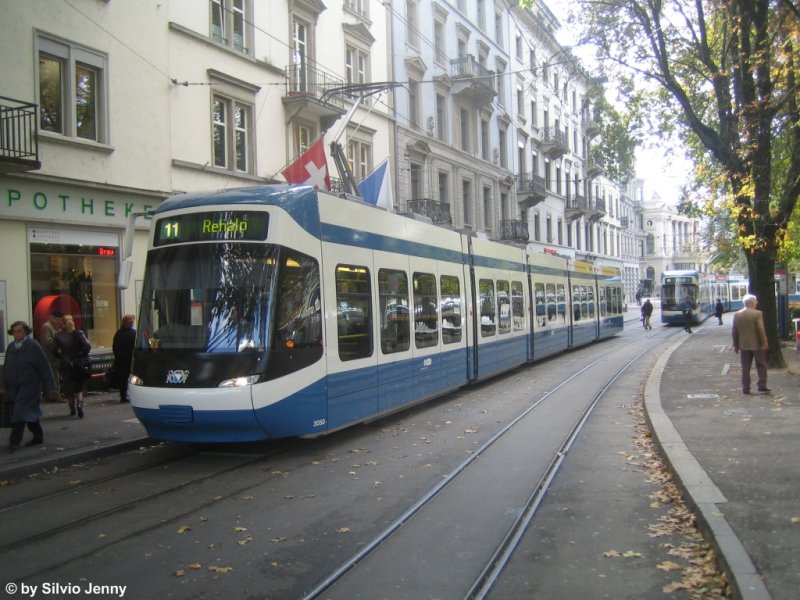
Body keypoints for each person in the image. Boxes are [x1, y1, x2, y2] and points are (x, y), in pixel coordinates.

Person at [1, 321, 58, 451]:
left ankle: (14, 442)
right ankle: (38, 436)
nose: (16, 334)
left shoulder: (33, 346)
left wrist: (51, 387)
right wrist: (3, 385)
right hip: (15, 387)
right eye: (14, 331)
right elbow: (6, 368)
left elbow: (45, 367)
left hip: (30, 387)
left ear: (26, 331)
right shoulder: (11, 347)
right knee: (29, 413)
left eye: (19, 331)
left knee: (19, 412)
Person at [732, 293, 769, 394]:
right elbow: (760, 329)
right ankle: (761, 385)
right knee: (761, 365)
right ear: (752, 303)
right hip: (757, 345)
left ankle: (745, 387)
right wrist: (764, 342)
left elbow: (734, 330)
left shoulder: (737, 314)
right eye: (756, 302)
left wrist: (736, 344)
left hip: (743, 345)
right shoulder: (757, 313)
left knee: (745, 367)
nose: (756, 303)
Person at [56, 315, 91, 418]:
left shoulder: (59, 336)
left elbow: (53, 350)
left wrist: (61, 356)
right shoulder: (79, 333)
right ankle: (80, 404)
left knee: (68, 388)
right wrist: (81, 355)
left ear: (63, 323)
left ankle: (72, 408)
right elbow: (87, 346)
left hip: (66, 364)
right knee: (78, 386)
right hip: (78, 363)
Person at [111, 314, 136, 403]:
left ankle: (123, 396)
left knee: (122, 379)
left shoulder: (118, 333)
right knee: (130, 378)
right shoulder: (133, 334)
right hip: (130, 360)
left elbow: (114, 346)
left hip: (120, 359)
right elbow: (135, 347)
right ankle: (129, 395)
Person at [40, 310, 64, 401]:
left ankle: (55, 393)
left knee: (57, 376)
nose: (60, 322)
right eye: (59, 320)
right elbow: (47, 341)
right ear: (53, 318)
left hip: (56, 355)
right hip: (50, 355)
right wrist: (58, 341)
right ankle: (55, 395)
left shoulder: (57, 327)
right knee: (54, 376)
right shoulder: (47, 326)